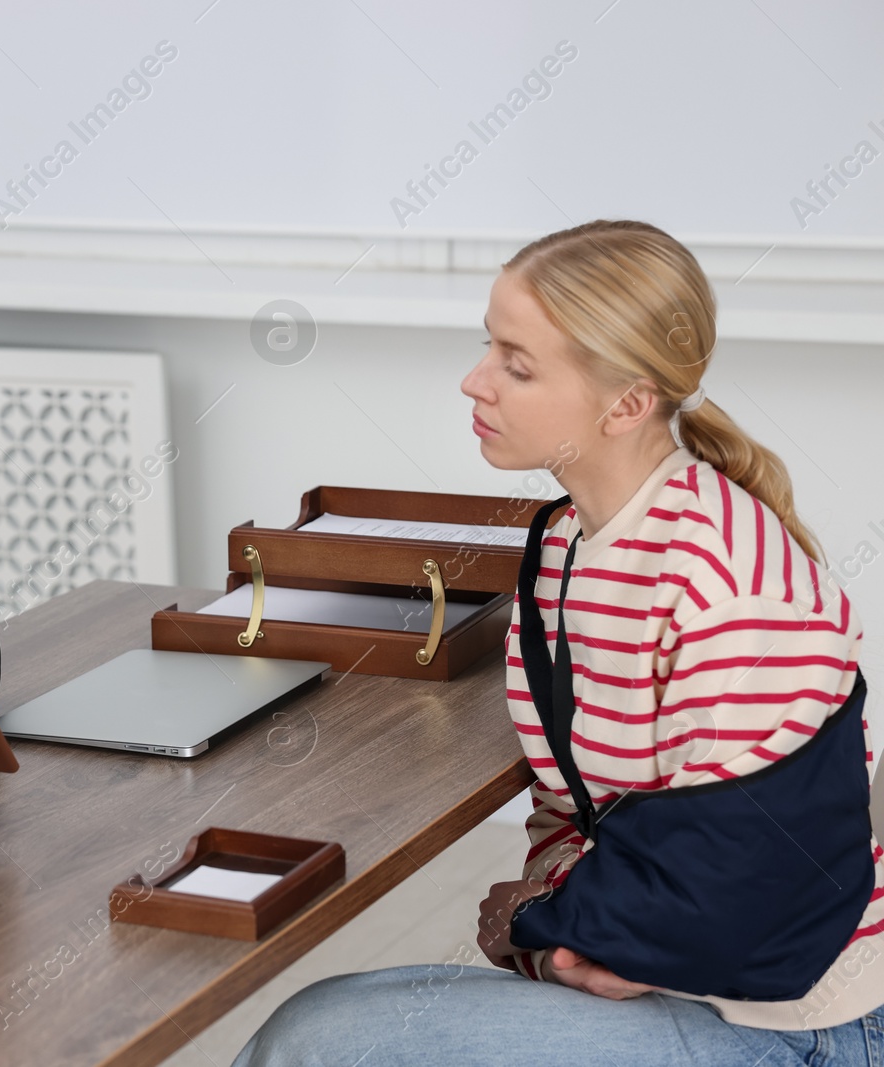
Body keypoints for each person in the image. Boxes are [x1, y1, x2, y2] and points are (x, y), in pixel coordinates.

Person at [232, 220, 880, 1066]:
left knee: (313, 1042)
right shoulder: (570, 541)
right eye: (487, 348)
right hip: (680, 973)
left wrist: (541, 922)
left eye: (517, 363)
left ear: (627, 402)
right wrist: (559, 930)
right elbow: (577, 802)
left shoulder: (727, 577)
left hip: (796, 1023)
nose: (475, 381)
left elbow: (738, 881)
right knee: (316, 1020)